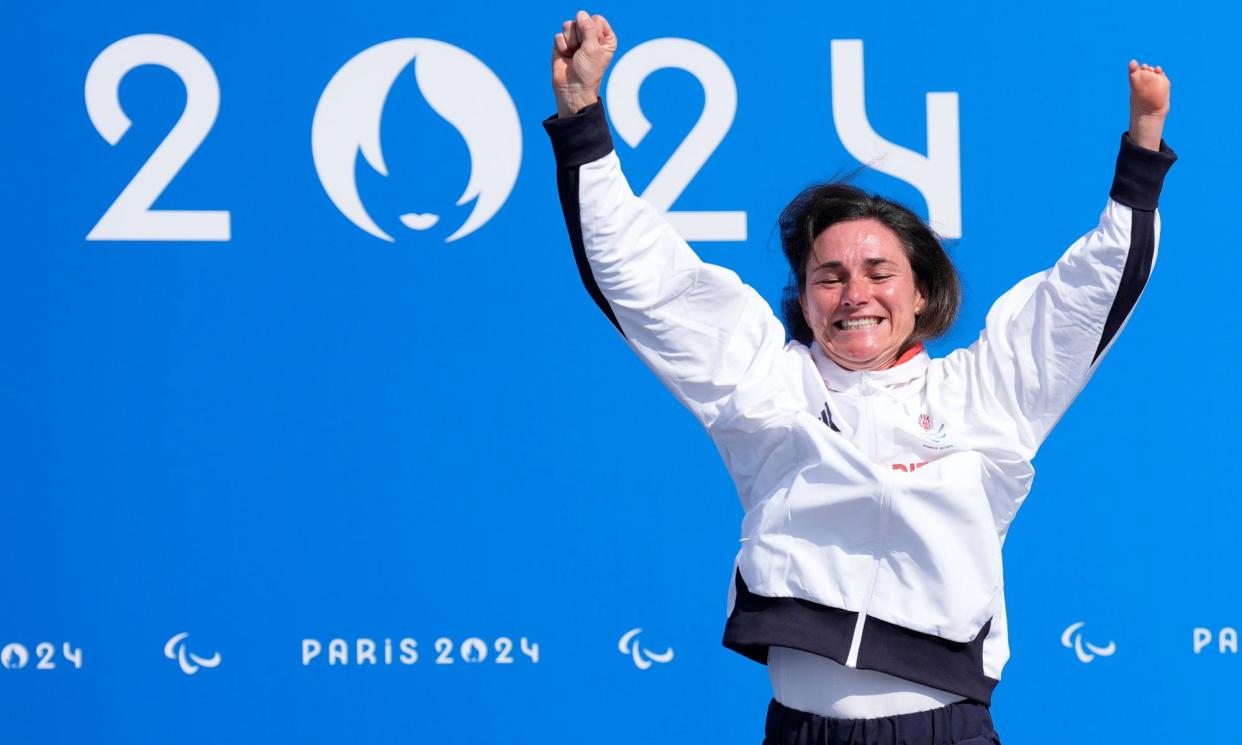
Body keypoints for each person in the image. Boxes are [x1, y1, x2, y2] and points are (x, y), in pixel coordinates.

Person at [545, 10, 1175, 745]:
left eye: (880, 274)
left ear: (920, 292)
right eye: (829, 277)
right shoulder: (765, 386)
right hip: (805, 730)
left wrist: (1142, 150)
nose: (855, 296)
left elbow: (1088, 295)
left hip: (946, 729)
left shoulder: (984, 391)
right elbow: (646, 280)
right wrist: (581, 115)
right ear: (804, 297)